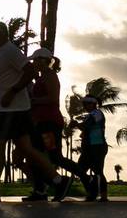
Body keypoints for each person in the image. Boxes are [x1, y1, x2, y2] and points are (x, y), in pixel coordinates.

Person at [0, 21, 74, 203]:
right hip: (13, 109)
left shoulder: (10, 50)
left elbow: (30, 71)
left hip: (13, 109)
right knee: (26, 149)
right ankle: (59, 181)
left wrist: (13, 91)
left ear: (2, 34)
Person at [22, 49, 90, 202]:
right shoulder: (41, 77)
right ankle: (40, 190)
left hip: (49, 123)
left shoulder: (50, 75)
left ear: (42, 60)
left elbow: (53, 99)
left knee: (55, 157)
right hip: (40, 123)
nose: (33, 63)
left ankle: (85, 179)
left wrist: (33, 101)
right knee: (36, 156)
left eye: (35, 60)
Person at [76, 96, 108, 202]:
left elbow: (86, 126)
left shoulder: (97, 113)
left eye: (87, 104)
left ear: (93, 104)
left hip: (97, 146)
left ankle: (103, 196)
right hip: (89, 148)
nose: (85, 106)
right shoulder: (90, 115)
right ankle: (92, 191)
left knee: (98, 171)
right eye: (84, 104)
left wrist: (76, 124)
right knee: (80, 170)